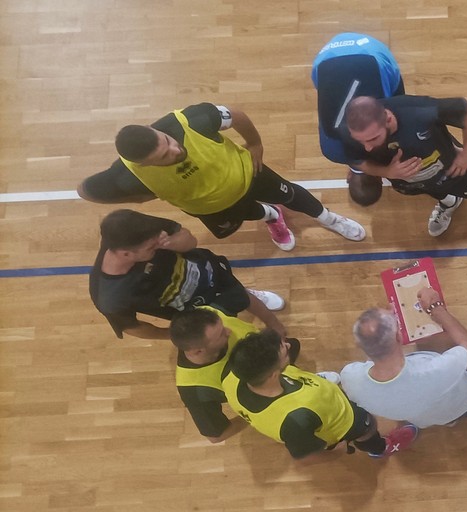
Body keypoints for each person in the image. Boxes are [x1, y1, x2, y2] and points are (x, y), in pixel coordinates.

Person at [77, 102, 365, 251]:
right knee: (250, 214)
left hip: (251, 174)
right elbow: (85, 191)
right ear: (142, 164)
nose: (175, 150)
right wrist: (141, 198)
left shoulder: (191, 120)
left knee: (292, 194)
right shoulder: (125, 178)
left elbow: (236, 115)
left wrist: (255, 144)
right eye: (164, 157)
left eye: (167, 141)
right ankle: (272, 217)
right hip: (213, 207)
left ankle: (330, 219)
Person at [221, 330, 419, 460]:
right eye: (283, 351)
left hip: (318, 398)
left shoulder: (232, 375)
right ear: (274, 374)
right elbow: (302, 449)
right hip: (345, 422)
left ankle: (314, 381)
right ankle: (380, 448)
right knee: (368, 426)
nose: (288, 346)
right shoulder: (296, 418)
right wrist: (333, 444)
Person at [89, 209, 286, 340]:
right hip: (193, 312)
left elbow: (190, 241)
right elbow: (131, 327)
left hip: (209, 271)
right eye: (151, 247)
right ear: (126, 254)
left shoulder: (134, 227)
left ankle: (273, 324)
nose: (156, 246)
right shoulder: (110, 297)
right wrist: (173, 334)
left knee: (241, 295)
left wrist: (172, 243)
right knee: (225, 337)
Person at [343, 95, 467, 236]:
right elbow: (352, 158)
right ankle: (450, 203)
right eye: (361, 141)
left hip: (450, 167)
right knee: (434, 191)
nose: (366, 147)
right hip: (411, 179)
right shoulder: (355, 131)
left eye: (373, 138)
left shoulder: (419, 111)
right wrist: (387, 171)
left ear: (388, 119)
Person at [340, 287, 467, 432]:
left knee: (444, 416)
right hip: (464, 399)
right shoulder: (434, 371)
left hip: (427, 416)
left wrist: (385, 326)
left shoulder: (350, 378)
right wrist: (437, 309)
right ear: (399, 337)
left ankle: (451, 420)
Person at [169, 306, 301, 443]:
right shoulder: (194, 389)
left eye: (223, 325)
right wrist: (256, 414)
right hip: (274, 399)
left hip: (276, 361)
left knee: (294, 345)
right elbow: (216, 435)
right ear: (198, 352)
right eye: (221, 334)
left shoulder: (207, 314)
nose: (229, 331)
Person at [311, 32, 405, 206]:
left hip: (371, 55)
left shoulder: (392, 140)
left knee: (399, 109)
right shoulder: (331, 150)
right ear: (349, 177)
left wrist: (387, 171)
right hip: (326, 59)